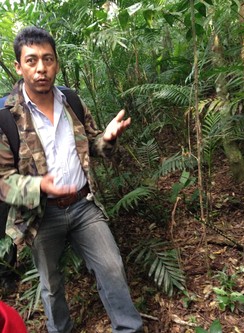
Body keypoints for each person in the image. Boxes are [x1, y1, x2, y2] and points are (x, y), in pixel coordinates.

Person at [0, 26, 143, 333]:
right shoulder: (5, 116)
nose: (41, 68)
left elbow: (92, 144)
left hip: (83, 205)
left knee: (112, 267)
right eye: (32, 60)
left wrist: (106, 137)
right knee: (51, 285)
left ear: (57, 63)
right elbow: (2, 181)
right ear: (18, 66)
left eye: (48, 59)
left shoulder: (71, 101)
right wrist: (39, 186)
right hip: (41, 215)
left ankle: (129, 329)